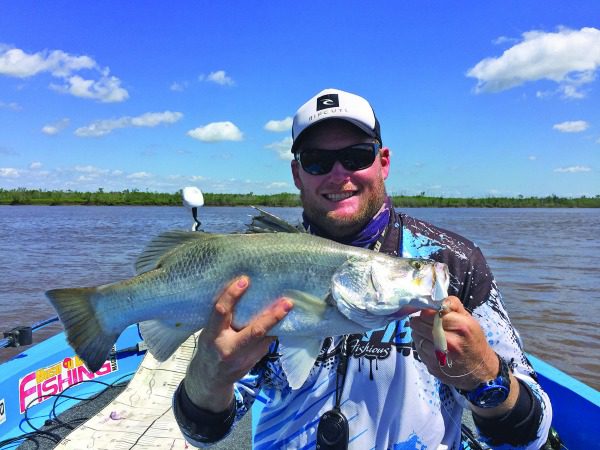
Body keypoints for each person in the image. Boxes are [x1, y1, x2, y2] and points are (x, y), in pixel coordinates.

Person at [173, 88, 553, 449]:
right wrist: (207, 379)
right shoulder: (255, 265)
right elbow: (206, 435)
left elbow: (530, 438)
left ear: (383, 162)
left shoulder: (453, 261)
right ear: (296, 174)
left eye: (356, 156)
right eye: (317, 161)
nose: (339, 175)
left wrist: (485, 378)